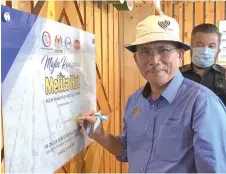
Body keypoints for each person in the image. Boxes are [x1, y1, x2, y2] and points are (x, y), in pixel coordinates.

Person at [77, 14, 226, 173]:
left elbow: (213, 169)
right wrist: (100, 135)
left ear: (180, 55)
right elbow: (127, 151)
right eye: (145, 51)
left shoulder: (203, 103)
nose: (154, 60)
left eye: (164, 50)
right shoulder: (135, 100)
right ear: (136, 59)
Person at [180, 23, 226, 105]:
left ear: (218, 51)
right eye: (199, 45)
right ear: (191, 48)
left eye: (211, 46)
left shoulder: (224, 75)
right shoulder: (178, 75)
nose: (205, 50)